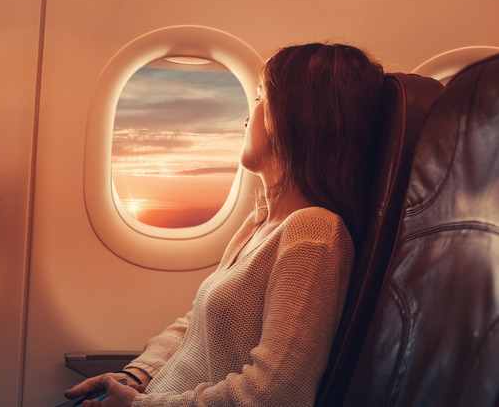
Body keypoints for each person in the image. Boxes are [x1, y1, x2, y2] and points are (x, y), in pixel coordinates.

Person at [64, 42, 385, 406]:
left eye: (261, 98)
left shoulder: (313, 235)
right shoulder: (260, 223)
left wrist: (137, 405)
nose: (246, 119)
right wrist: (138, 373)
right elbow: (199, 322)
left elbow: (275, 395)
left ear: (296, 116)